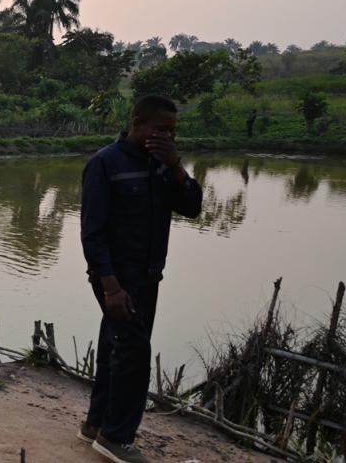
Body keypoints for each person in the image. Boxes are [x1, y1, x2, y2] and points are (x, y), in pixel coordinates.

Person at [78, 94, 203, 463]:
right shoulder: (105, 163)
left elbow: (193, 208)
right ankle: (116, 439)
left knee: (116, 349)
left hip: (149, 277)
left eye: (172, 131)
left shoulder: (163, 166)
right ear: (136, 124)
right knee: (134, 354)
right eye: (159, 129)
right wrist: (111, 287)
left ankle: (95, 426)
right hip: (117, 280)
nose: (166, 136)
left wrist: (176, 164)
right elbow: (92, 233)